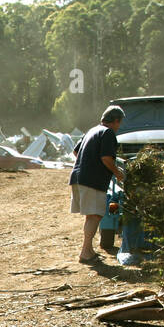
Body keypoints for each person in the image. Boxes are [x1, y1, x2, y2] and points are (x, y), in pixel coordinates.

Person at [69, 106, 126, 263]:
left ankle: (88, 250)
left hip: (78, 176)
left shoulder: (92, 130)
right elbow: (106, 158)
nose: (119, 127)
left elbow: (76, 151)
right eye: (119, 123)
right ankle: (85, 252)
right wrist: (117, 173)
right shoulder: (108, 133)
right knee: (95, 215)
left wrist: (87, 161)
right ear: (115, 121)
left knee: (91, 216)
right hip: (91, 180)